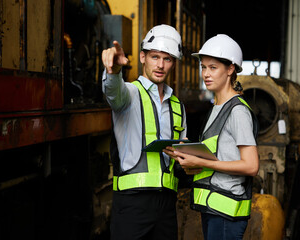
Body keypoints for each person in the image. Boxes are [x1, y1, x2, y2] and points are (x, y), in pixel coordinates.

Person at [165, 34, 259, 240]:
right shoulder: (217, 108)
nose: (205, 74)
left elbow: (251, 166)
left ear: (230, 69)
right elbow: (218, 154)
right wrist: (187, 153)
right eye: (203, 67)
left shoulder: (237, 111)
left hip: (226, 210)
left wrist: (200, 161)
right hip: (213, 207)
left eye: (213, 67)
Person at [101, 24, 187, 240]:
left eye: (167, 59)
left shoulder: (177, 106)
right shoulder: (128, 93)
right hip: (132, 203)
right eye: (155, 57)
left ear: (173, 64)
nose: (160, 65)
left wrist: (187, 157)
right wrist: (113, 72)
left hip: (167, 204)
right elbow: (113, 93)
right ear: (142, 57)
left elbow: (182, 156)